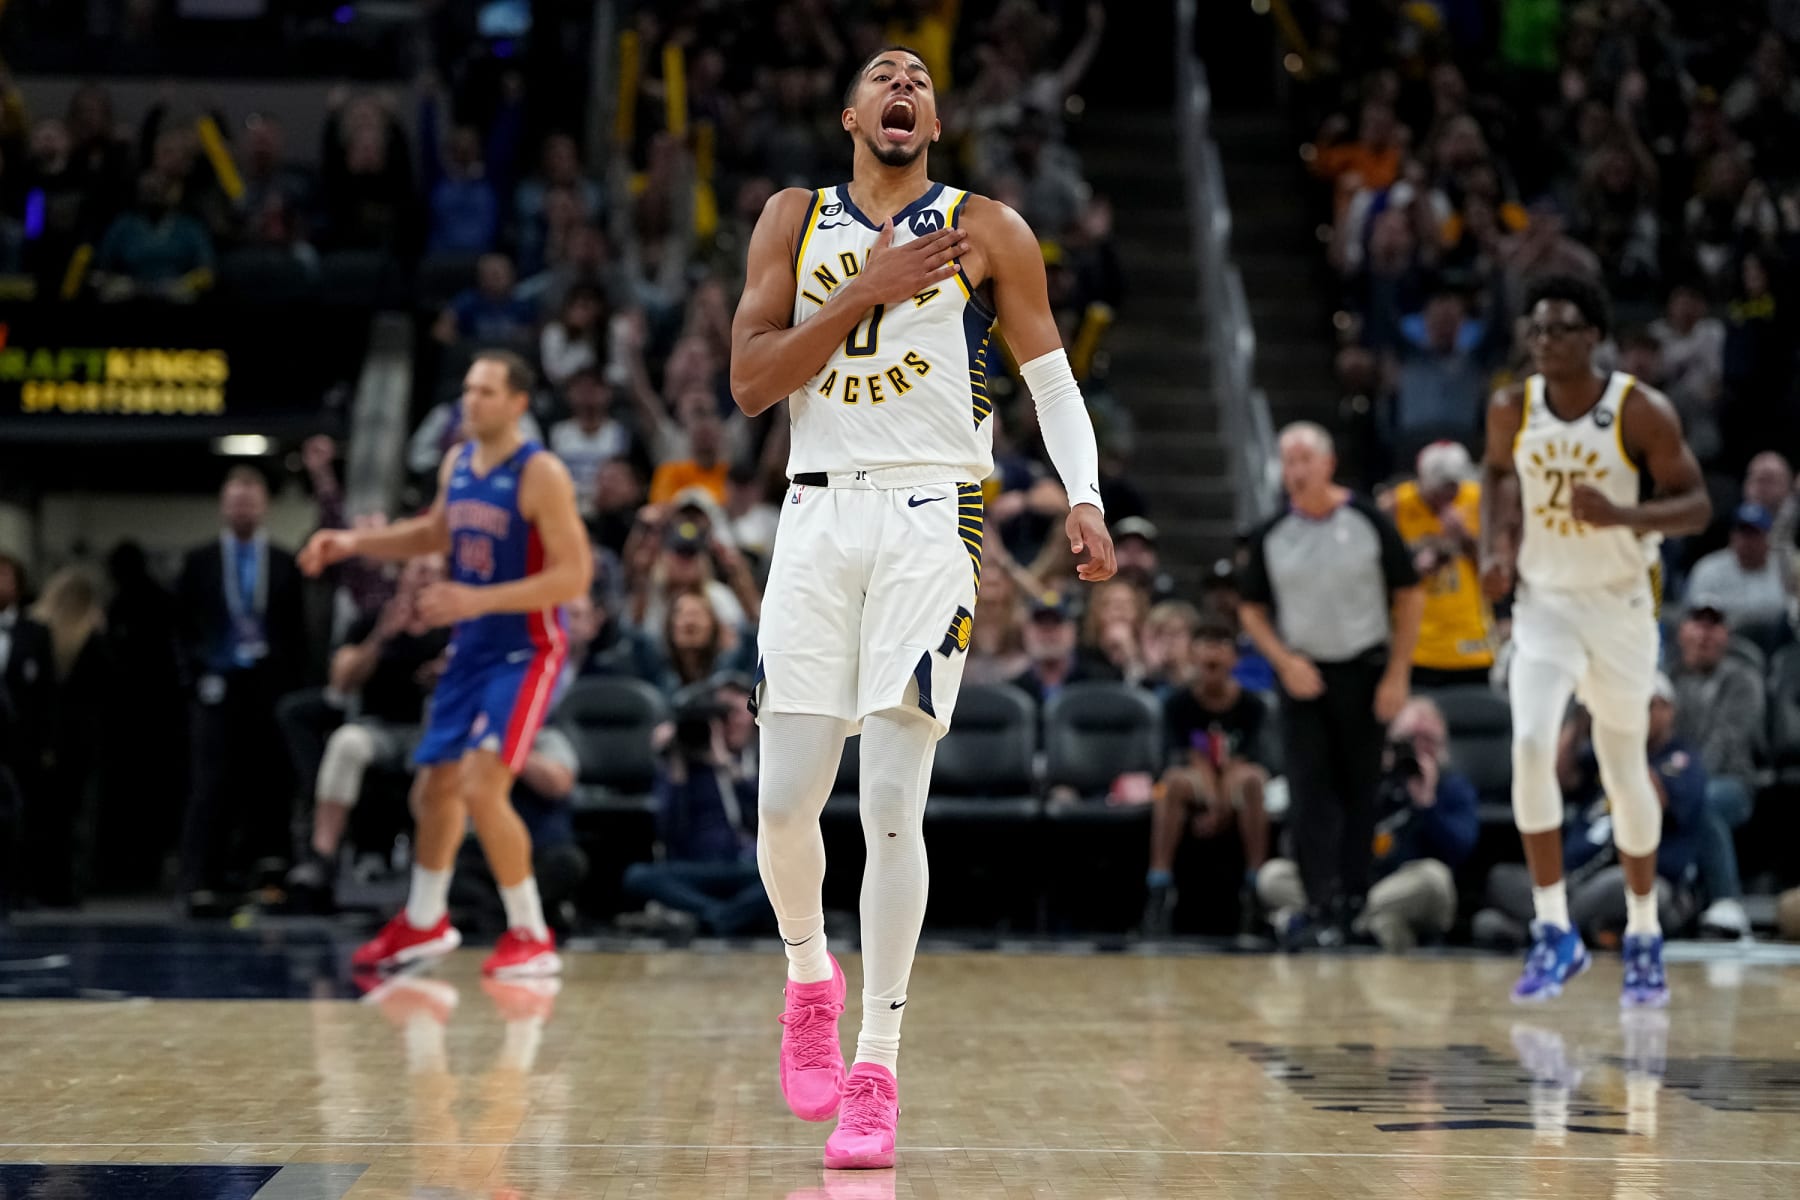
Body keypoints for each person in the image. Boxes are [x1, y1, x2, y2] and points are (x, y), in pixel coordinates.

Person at [727, 44, 1116, 1170]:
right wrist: (867, 290)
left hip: (930, 515)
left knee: (893, 800)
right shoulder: (792, 219)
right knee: (786, 810)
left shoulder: (987, 227)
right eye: (883, 77)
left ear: (931, 123)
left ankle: (877, 1066)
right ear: (853, 113)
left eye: (922, 83)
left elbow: (1050, 378)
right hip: (814, 514)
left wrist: (1083, 497)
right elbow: (752, 384)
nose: (904, 88)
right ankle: (810, 974)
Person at [300, 350, 592, 978]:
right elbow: (435, 534)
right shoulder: (458, 463)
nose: (471, 400)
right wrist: (353, 540)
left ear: (517, 403)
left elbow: (574, 576)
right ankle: (425, 920)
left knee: (483, 788)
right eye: (467, 389)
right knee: (431, 786)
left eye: (486, 391)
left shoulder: (539, 473)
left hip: (526, 650)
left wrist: (475, 598)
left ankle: (532, 934)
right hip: (473, 648)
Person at [1478, 274, 1711, 1006]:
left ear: (1593, 336)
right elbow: (1491, 475)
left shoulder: (1639, 410)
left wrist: (1622, 515)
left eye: (1561, 329)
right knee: (1528, 746)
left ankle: (1643, 930)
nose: (1545, 342)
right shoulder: (1510, 406)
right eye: (1536, 330)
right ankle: (1554, 932)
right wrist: (1493, 547)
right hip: (1544, 603)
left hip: (1619, 607)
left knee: (1620, 765)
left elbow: (1698, 506)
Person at [1238, 423, 1424, 947]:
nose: (1295, 471)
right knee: (1308, 793)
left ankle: (1355, 904)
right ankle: (1318, 904)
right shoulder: (1272, 532)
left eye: (1304, 460)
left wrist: (1398, 672)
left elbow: (1410, 595)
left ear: (1328, 463)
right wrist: (1282, 659)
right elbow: (1250, 606)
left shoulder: (1368, 521)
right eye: (1287, 461)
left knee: (1360, 791)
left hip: (1366, 671)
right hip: (1304, 676)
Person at [1473, 678, 1705, 948]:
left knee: (1627, 886)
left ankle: (1546, 932)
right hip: (1574, 879)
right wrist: (1581, 718)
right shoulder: (1604, 751)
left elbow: (1652, 801)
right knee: (1502, 878)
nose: (1637, 714)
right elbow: (1557, 777)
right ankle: (1569, 930)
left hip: (1638, 879)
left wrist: (1626, 744)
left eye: (1647, 706)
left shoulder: (1681, 758)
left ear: (1669, 710)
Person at [177, 468, 306, 912]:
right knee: (211, 782)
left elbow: (298, 631)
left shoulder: (285, 562)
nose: (243, 508)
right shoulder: (200, 562)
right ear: (222, 507)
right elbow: (181, 628)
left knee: (270, 781)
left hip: (269, 685)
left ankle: (267, 874)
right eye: (235, 501)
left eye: (251, 501)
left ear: (265, 506)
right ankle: (199, 876)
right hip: (218, 683)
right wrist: (194, 679)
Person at [286, 555, 453, 899]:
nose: (427, 578)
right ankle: (323, 857)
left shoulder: (458, 625)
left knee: (439, 760)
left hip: (432, 728)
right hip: (379, 727)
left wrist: (445, 674)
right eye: (420, 569)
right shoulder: (373, 621)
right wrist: (381, 638)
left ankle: (433, 869)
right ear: (403, 576)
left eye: (436, 573)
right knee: (346, 744)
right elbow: (340, 684)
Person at [1259, 697, 1478, 951]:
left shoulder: (1452, 786)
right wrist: (1366, 784)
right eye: (1408, 740)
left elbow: (1460, 851)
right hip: (1350, 886)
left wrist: (1426, 804)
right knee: (1273, 876)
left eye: (1427, 741)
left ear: (1443, 746)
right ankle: (1363, 927)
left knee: (1435, 878)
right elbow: (1311, 837)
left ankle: (1331, 923)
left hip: (1403, 887)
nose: (1417, 750)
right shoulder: (1363, 778)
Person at [1142, 621, 1273, 937]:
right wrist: (1214, 802)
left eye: (1222, 645)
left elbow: (1242, 759)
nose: (1213, 653)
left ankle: (1255, 890)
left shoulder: (1252, 705)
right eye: (1205, 645)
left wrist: (1222, 810)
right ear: (1192, 656)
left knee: (1253, 780)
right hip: (1197, 776)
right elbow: (1193, 756)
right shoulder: (1178, 703)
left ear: (1235, 660)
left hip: (1237, 776)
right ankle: (1159, 888)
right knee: (1172, 783)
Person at [620, 675, 770, 936]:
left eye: (737, 712)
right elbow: (667, 831)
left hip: (744, 866)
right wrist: (677, 770)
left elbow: (766, 815)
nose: (730, 721)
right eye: (722, 714)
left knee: (790, 880)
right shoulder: (684, 761)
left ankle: (708, 917)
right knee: (638, 877)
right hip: (693, 868)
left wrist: (727, 766)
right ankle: (725, 916)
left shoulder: (760, 758)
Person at [1668, 598, 1764, 938]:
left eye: (1714, 626)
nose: (1705, 634)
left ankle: (1727, 903)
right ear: (1681, 632)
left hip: (1730, 784)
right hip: (1671, 783)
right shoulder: (1665, 680)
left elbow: (1726, 742)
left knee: (1703, 802)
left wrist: (1680, 788)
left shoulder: (1743, 679)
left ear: (1727, 636)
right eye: (1697, 624)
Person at [1391, 441, 1495, 687]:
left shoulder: (1476, 499)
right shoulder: (1397, 506)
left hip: (1472, 641)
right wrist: (1417, 566)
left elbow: (1495, 570)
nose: (1450, 495)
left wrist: (1465, 539)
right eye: (1442, 488)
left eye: (1454, 486)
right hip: (1419, 645)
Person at [1683, 502, 1791, 633]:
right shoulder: (1709, 568)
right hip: (1722, 643)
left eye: (1754, 534)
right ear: (1732, 535)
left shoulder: (1785, 567)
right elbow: (1695, 617)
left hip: (1775, 642)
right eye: (1742, 533)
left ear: (1768, 538)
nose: (1747, 541)